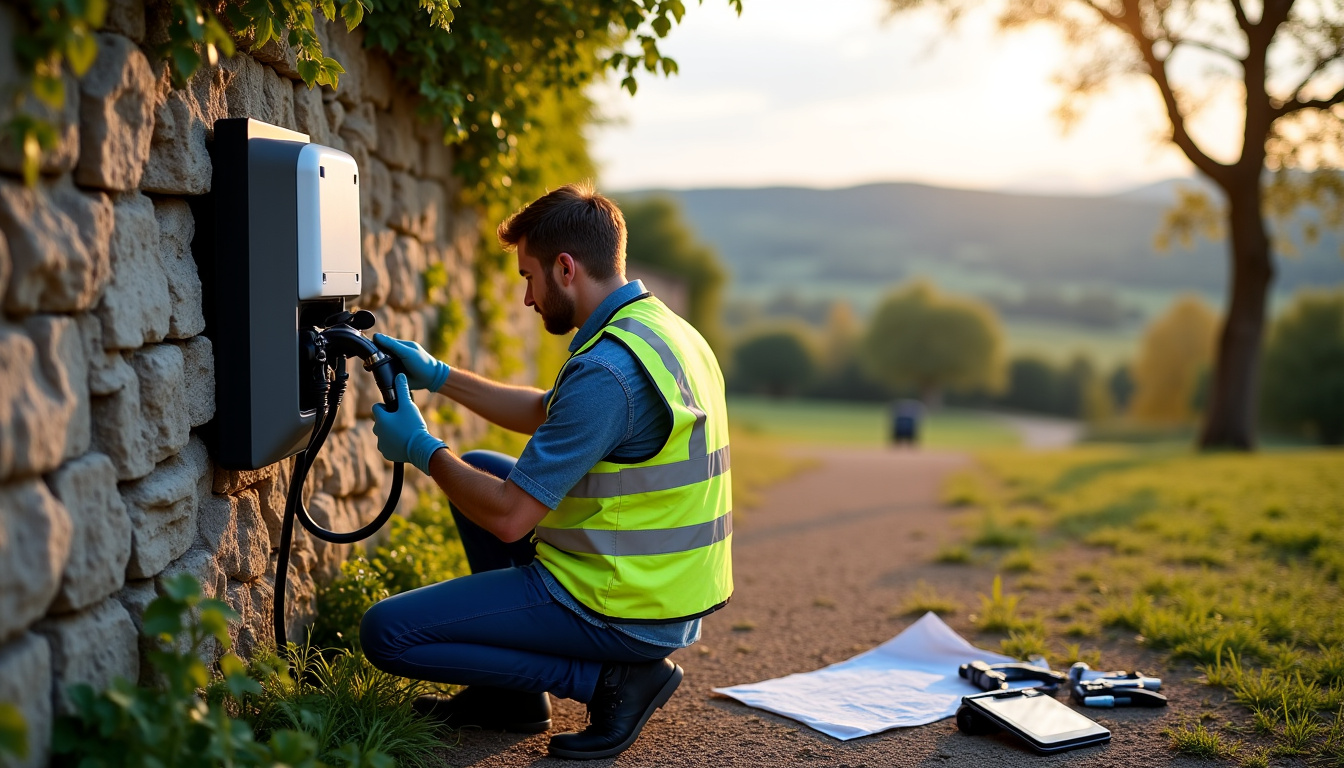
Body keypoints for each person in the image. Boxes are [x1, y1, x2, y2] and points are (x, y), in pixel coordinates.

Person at [359, 182, 733, 760]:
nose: (528, 298)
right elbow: (546, 410)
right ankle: (510, 698)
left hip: (623, 606)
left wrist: (422, 449)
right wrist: (438, 375)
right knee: (484, 465)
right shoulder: (658, 330)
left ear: (565, 268)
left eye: (529, 278)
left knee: (387, 634)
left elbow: (510, 520)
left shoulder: (608, 371)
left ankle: (613, 683)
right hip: (661, 589)